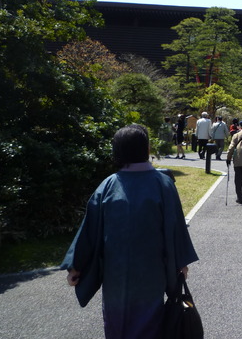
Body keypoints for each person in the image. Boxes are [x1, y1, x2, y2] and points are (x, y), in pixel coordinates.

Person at [61, 124, 198, 339]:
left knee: (117, 324)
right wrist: (181, 262)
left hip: (116, 273)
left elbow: (89, 230)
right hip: (151, 273)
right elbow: (175, 227)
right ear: (146, 149)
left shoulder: (108, 185)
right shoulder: (162, 184)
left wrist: (76, 266)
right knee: (149, 322)